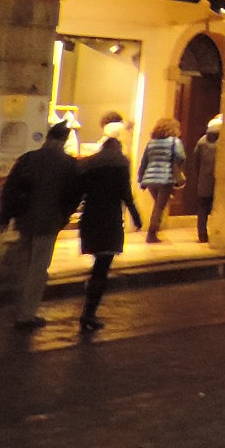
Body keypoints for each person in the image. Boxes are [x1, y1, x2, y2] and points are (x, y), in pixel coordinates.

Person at [0, 121, 83, 327]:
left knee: (25, 265)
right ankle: (26, 313)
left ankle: (20, 309)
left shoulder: (28, 159)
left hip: (25, 220)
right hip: (48, 222)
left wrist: (4, 217)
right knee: (38, 268)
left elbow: (10, 189)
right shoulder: (69, 164)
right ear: (63, 140)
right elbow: (74, 195)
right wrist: (64, 217)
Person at [75, 125, 143, 331]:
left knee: (98, 262)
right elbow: (126, 195)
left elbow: (78, 193)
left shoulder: (90, 166)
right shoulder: (121, 166)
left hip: (90, 218)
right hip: (110, 220)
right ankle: (89, 312)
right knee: (102, 268)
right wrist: (136, 217)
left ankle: (88, 308)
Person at [138, 118, 185, 243]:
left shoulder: (151, 143)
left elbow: (144, 162)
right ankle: (151, 233)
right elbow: (181, 156)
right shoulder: (175, 142)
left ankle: (153, 231)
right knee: (159, 207)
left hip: (150, 178)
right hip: (165, 177)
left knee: (157, 205)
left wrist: (141, 179)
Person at [190, 116, 221, 244]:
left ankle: (202, 234)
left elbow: (195, 160)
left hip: (204, 179)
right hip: (220, 181)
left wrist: (200, 175)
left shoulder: (202, 141)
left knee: (203, 207)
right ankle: (219, 232)